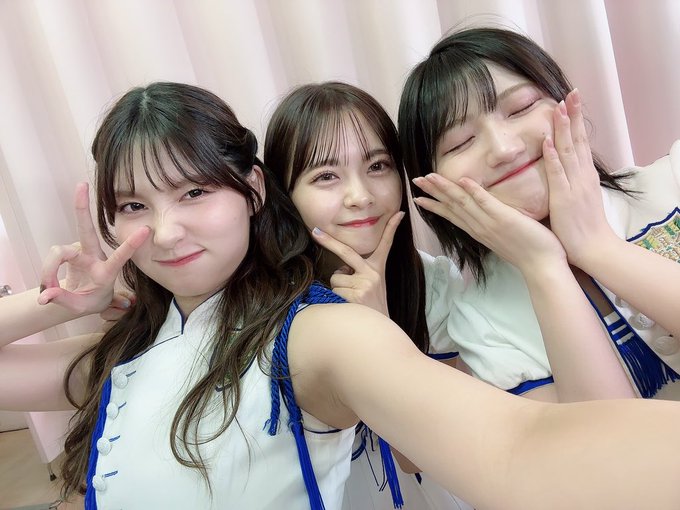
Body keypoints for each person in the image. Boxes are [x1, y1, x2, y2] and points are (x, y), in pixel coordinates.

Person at [4, 82, 680, 510]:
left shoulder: (315, 332)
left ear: (254, 191)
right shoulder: (131, 348)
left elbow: (516, 449)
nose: (164, 231)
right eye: (132, 205)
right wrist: (56, 303)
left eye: (194, 192)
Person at [398, 26, 680, 401]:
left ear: (564, 101)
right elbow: (605, 435)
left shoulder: (673, 177)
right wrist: (542, 266)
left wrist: (596, 245)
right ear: (430, 183)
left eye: (520, 108)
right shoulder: (481, 324)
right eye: (460, 142)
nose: (504, 149)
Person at [264, 81, 471, 510]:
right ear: (284, 194)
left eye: (378, 166)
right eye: (326, 176)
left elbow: (418, 458)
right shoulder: (265, 305)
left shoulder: (433, 282)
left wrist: (379, 327)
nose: (361, 196)